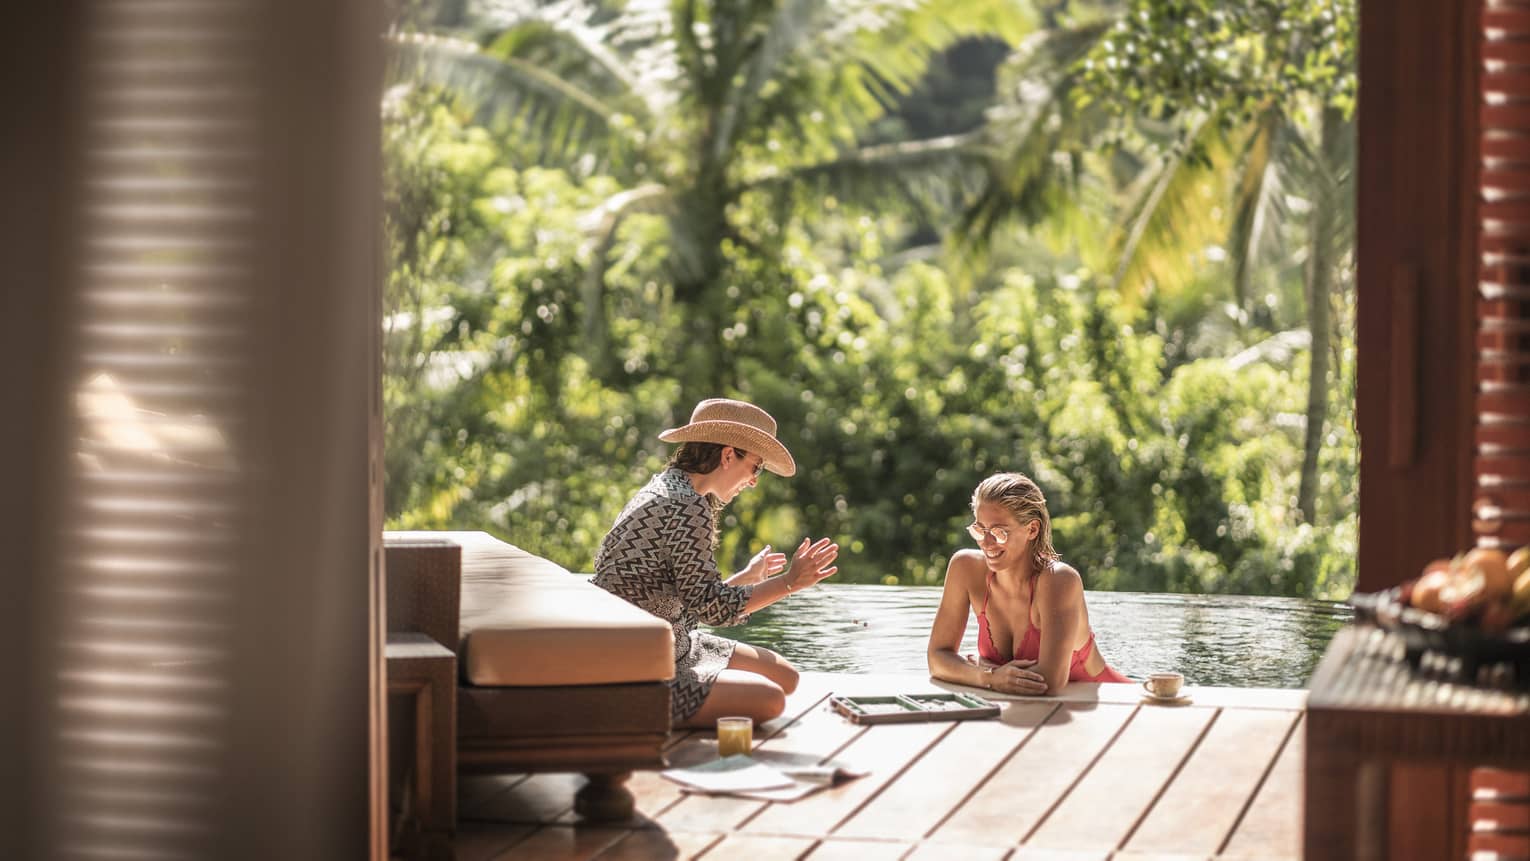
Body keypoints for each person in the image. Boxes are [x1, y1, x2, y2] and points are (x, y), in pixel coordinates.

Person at [593, 398, 840, 728]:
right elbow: (712, 610)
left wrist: (746, 579)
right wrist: (789, 582)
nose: (754, 481)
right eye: (756, 467)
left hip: (672, 642)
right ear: (727, 455)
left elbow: (692, 599)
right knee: (771, 699)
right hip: (640, 667)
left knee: (787, 677)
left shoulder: (670, 488)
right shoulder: (685, 505)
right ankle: (642, 712)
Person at [928, 472, 1129, 695]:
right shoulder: (965, 568)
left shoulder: (1058, 581)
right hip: (1033, 712)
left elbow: (1048, 682)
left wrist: (981, 667)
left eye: (998, 532)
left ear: (1032, 529)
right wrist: (989, 676)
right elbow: (937, 659)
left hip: (1114, 703)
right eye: (979, 529)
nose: (986, 543)